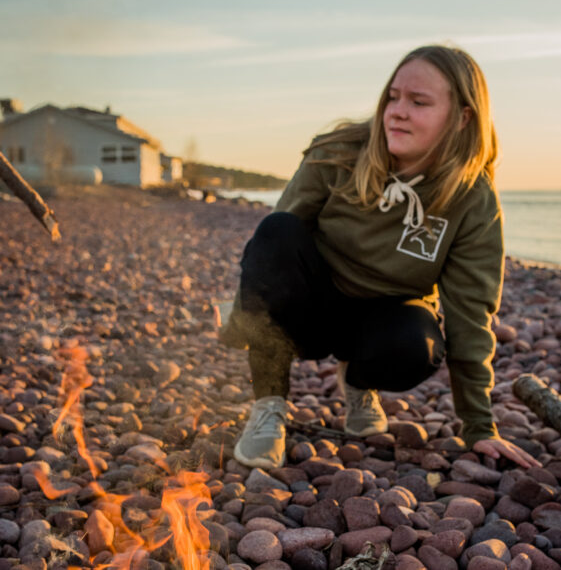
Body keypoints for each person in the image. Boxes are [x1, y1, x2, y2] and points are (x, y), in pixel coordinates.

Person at [220, 44, 540, 471]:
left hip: (382, 323)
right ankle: (269, 407)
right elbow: (271, 254)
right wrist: (245, 318)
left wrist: (479, 428)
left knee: (419, 344)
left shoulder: (473, 198)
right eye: (393, 97)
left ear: (462, 117)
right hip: (312, 313)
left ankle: (357, 382)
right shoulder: (336, 152)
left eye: (419, 102)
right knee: (276, 228)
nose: (397, 111)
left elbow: (470, 313)